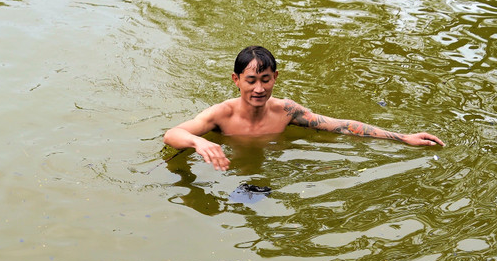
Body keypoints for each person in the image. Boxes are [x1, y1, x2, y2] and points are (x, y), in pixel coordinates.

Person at [163, 46, 444, 171]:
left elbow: (342, 126)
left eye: (265, 80)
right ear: (236, 80)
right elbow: (172, 134)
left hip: (271, 167)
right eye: (251, 81)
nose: (259, 88)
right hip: (228, 170)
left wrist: (403, 137)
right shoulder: (220, 115)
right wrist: (198, 142)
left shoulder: (287, 111)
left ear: (275, 78)